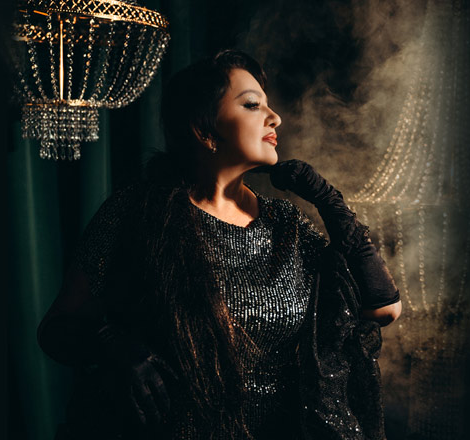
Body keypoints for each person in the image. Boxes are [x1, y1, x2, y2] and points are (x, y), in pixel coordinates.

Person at [37, 49, 401, 440]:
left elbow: (383, 308)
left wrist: (330, 202)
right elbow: (56, 330)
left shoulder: (286, 223)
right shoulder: (135, 212)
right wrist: (111, 345)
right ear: (204, 130)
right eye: (252, 104)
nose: (274, 117)